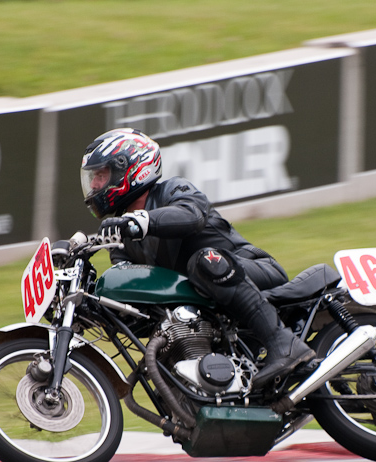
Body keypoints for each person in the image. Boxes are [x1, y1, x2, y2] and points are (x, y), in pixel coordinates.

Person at [80, 128, 315, 387]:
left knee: (203, 261)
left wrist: (141, 221)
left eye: (101, 175)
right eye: (93, 178)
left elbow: (192, 215)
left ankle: (284, 343)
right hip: (212, 307)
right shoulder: (122, 238)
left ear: (129, 169)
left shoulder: (172, 190)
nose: (94, 185)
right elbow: (133, 296)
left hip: (251, 269)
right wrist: (88, 304)